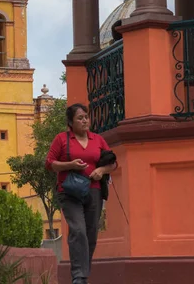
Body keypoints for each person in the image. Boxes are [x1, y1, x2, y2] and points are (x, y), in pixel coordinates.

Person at [45, 103, 117, 284]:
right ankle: (79, 276)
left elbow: (114, 164)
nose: (85, 120)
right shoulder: (61, 139)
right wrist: (70, 165)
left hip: (94, 191)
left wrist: (101, 170)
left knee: (91, 233)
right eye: (80, 118)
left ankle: (83, 272)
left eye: (86, 117)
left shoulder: (97, 140)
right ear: (71, 122)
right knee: (78, 230)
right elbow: (50, 163)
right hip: (69, 192)